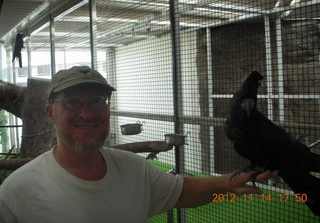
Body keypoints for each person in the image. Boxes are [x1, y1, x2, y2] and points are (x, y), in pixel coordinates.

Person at [0, 66, 277, 223]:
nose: (87, 113)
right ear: (50, 113)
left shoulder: (133, 168)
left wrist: (226, 184)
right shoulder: (16, 192)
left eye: (97, 101)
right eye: (73, 102)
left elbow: (181, 192)